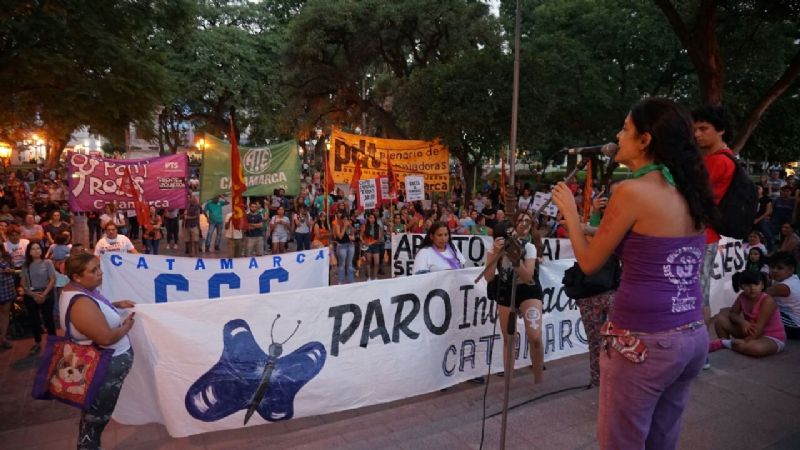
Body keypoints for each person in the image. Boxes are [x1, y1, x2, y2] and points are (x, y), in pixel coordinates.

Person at [553, 98, 715, 449]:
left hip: (644, 342)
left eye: (626, 129)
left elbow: (589, 264)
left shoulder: (630, 192)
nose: (617, 135)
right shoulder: (689, 190)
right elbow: (647, 241)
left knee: (621, 442)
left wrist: (568, 211)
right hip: (691, 336)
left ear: (645, 140)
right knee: (662, 438)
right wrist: (586, 226)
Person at [60, 252, 135, 450]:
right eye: (93, 271)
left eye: (99, 268)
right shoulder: (81, 302)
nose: (100, 273)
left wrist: (117, 304)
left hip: (105, 369)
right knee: (96, 420)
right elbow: (105, 338)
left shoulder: (84, 292)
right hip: (103, 370)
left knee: (94, 418)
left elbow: (97, 311)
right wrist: (127, 326)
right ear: (77, 277)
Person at [692, 104, 735, 370]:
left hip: (702, 236)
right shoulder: (713, 157)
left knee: (698, 296)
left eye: (704, 129)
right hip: (702, 234)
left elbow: (694, 196)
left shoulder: (718, 161)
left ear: (720, 130)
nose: (697, 134)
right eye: (695, 129)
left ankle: (700, 355)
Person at [483, 214, 544, 384]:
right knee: (509, 338)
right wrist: (495, 253)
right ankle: (508, 383)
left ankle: (538, 378)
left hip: (529, 290)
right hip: (505, 290)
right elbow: (488, 277)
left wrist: (516, 259)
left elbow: (527, 277)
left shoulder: (529, 247)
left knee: (535, 336)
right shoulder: (493, 249)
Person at [710, 271, 785, 357]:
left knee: (756, 349)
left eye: (756, 284)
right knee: (720, 320)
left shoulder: (768, 300)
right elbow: (733, 314)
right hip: (749, 332)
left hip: (771, 337)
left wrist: (747, 341)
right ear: (741, 286)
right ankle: (729, 344)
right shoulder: (742, 296)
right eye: (747, 285)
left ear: (762, 286)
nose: (752, 288)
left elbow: (759, 328)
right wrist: (742, 322)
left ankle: (725, 343)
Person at [20, 242, 57, 355]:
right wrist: (33, 295)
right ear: (29, 252)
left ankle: (53, 343)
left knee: (49, 319)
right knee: (34, 320)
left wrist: (44, 294)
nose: (36, 251)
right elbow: (23, 282)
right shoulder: (25, 265)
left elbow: (52, 279)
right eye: (33, 249)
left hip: (46, 292)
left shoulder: (47, 262)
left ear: (42, 250)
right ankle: (37, 343)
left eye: (38, 248)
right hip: (31, 295)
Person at [766, 251, 800, 339]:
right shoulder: (793, 278)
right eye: (772, 267)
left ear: (791, 270)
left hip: (795, 326)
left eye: (780, 268)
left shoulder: (784, 286)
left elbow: (759, 295)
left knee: (764, 311)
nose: (774, 270)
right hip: (790, 319)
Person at [332, 209, 355, 284]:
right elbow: (340, 237)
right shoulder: (338, 225)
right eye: (344, 219)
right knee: (342, 264)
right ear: (341, 220)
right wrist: (344, 227)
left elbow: (353, 235)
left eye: (347, 219)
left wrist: (350, 227)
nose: (345, 220)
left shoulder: (350, 225)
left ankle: (351, 281)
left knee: (350, 264)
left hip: (350, 245)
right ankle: (340, 282)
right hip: (342, 246)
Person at [0, 246, 15, 350]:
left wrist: (10, 270)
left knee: (5, 314)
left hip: (7, 288)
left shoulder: (6, 257)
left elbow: (14, 269)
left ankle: (3, 338)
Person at [360, 212, 383, 281]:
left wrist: (370, 243)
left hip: (375, 246)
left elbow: (379, 238)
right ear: (368, 218)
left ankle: (375, 277)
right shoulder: (364, 226)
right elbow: (360, 236)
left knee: (376, 263)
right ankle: (369, 277)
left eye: (373, 218)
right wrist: (363, 241)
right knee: (368, 262)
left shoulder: (378, 226)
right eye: (370, 217)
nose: (372, 219)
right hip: (367, 246)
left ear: (375, 219)